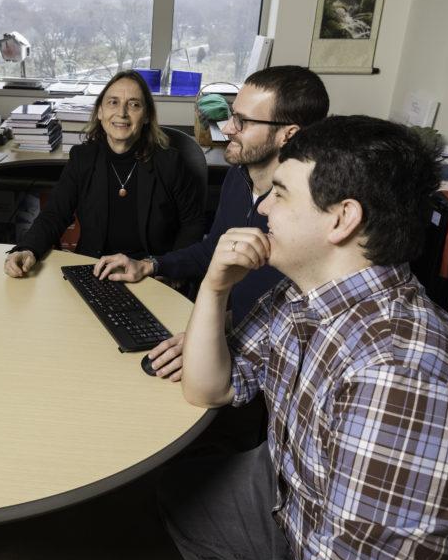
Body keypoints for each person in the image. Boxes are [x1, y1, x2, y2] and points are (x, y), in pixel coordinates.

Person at [148, 116, 448, 560]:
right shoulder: (304, 294)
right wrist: (214, 287)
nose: (261, 207)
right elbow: (211, 387)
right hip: (308, 518)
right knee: (181, 492)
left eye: (279, 193)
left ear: (341, 219)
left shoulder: (401, 378)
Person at [91, 66, 329, 381]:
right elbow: (213, 248)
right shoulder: (239, 175)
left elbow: (295, 312)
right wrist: (149, 265)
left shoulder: (308, 212)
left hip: (269, 365)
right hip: (233, 335)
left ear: (290, 134)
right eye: (232, 115)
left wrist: (216, 339)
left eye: (242, 121)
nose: (227, 127)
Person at [3, 71, 204, 276]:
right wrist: (28, 248)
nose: (122, 113)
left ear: (146, 116)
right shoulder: (83, 159)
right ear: (100, 112)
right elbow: (55, 214)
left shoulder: (169, 163)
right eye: (113, 102)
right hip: (93, 271)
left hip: (148, 274)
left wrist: (167, 269)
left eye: (134, 104)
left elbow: (193, 224)